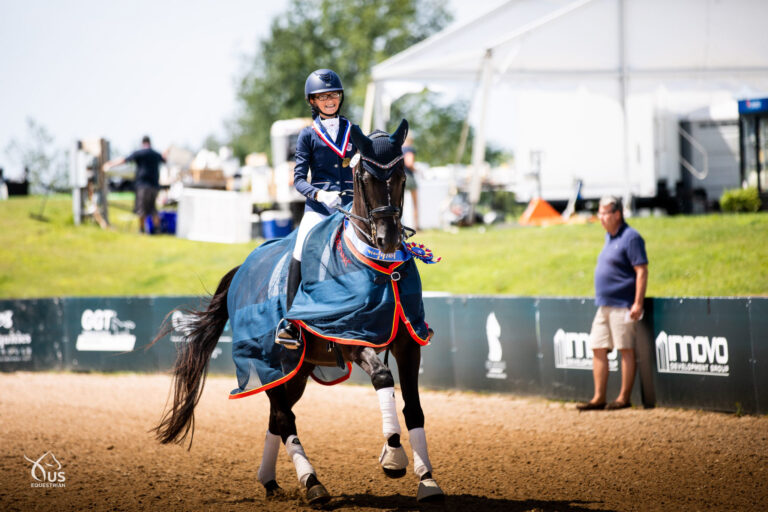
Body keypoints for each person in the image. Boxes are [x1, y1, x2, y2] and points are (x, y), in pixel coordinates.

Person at [276, 68, 357, 345]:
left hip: (352, 205)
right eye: (323, 96)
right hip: (320, 207)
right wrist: (320, 195)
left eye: (333, 94)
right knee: (300, 247)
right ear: (313, 101)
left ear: (340, 97)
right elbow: (298, 180)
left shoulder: (353, 131)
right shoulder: (307, 136)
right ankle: (289, 321)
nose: (329, 100)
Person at [577, 195, 648, 411]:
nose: (600, 218)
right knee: (598, 347)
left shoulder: (631, 237)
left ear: (617, 214)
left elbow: (641, 271)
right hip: (604, 305)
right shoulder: (610, 237)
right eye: (599, 213)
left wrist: (637, 302)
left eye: (604, 213)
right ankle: (599, 397)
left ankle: (623, 398)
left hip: (623, 305)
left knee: (625, 349)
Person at [104, 136, 165, 234]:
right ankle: (157, 230)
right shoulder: (155, 154)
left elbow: (124, 160)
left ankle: (141, 230)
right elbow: (164, 159)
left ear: (143, 143)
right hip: (154, 186)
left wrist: (110, 165)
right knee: (153, 208)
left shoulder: (139, 153)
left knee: (141, 209)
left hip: (143, 185)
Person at [402, 136, 419, 230]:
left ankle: (401, 224)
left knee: (400, 203)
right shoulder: (409, 149)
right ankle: (416, 226)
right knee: (415, 203)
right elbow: (409, 163)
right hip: (409, 177)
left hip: (400, 177)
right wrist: (416, 170)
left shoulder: (399, 149)